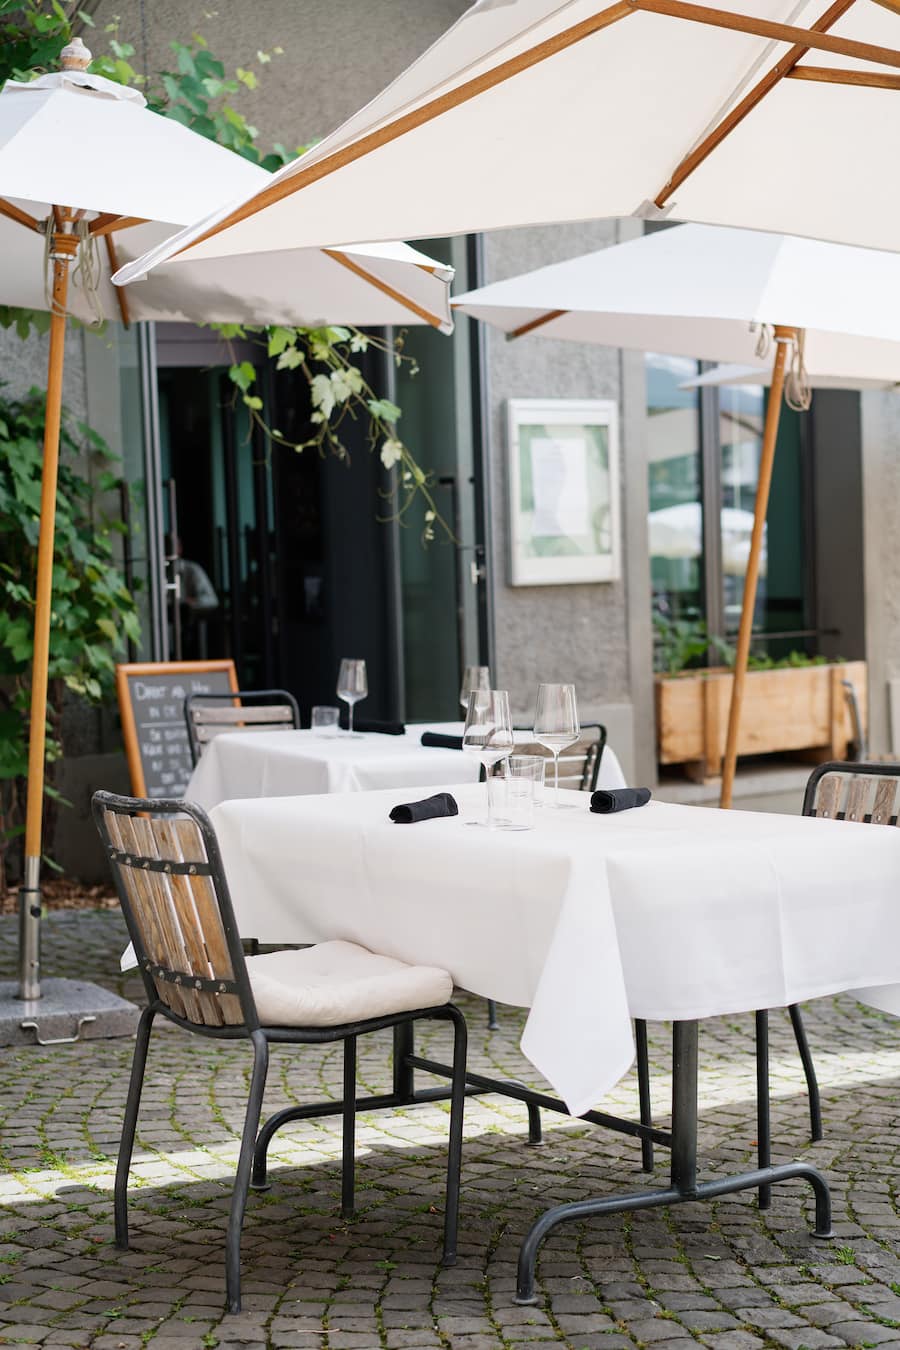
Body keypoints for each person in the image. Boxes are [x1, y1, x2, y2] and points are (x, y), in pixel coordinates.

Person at [167, 534, 219, 659]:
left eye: (170, 547)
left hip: (186, 632)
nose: (167, 551)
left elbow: (211, 600)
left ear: (179, 549)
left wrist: (188, 603)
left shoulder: (191, 570)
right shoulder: (150, 571)